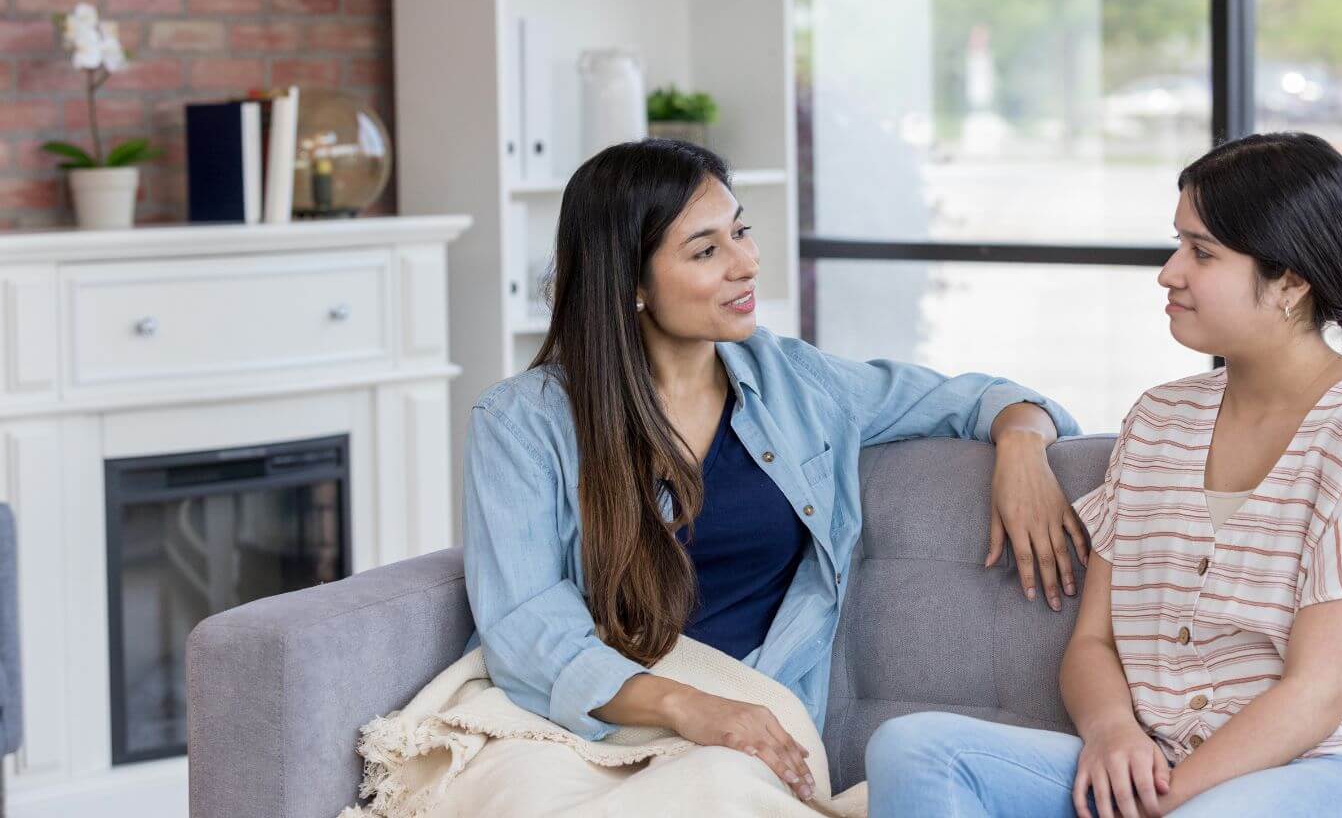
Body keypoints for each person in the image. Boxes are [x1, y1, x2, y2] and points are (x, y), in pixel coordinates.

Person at [462, 139, 1082, 802]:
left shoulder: (796, 384)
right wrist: (686, 706)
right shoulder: (521, 422)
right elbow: (526, 621)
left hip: (746, 727)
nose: (747, 264)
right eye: (706, 250)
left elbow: (982, 398)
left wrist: (1021, 448)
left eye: (741, 232)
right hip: (590, 721)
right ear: (631, 283)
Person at [865, 132, 1342, 817]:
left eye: (1201, 252)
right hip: (1170, 761)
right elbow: (1094, 642)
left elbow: (1315, 698)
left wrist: (1171, 799)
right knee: (912, 748)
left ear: (1290, 281)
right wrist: (1113, 732)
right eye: (1179, 243)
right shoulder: (1159, 420)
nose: (1170, 272)